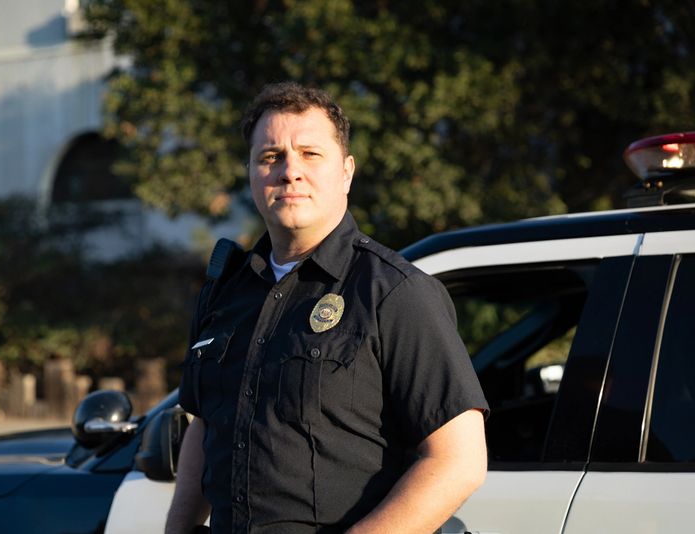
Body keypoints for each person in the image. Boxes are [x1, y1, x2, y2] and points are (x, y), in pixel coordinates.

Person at [165, 82, 489, 534]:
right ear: (252, 174)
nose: (289, 171)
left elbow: (460, 461)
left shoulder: (394, 292)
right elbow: (205, 425)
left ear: (346, 172)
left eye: (310, 154)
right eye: (270, 156)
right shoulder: (224, 294)